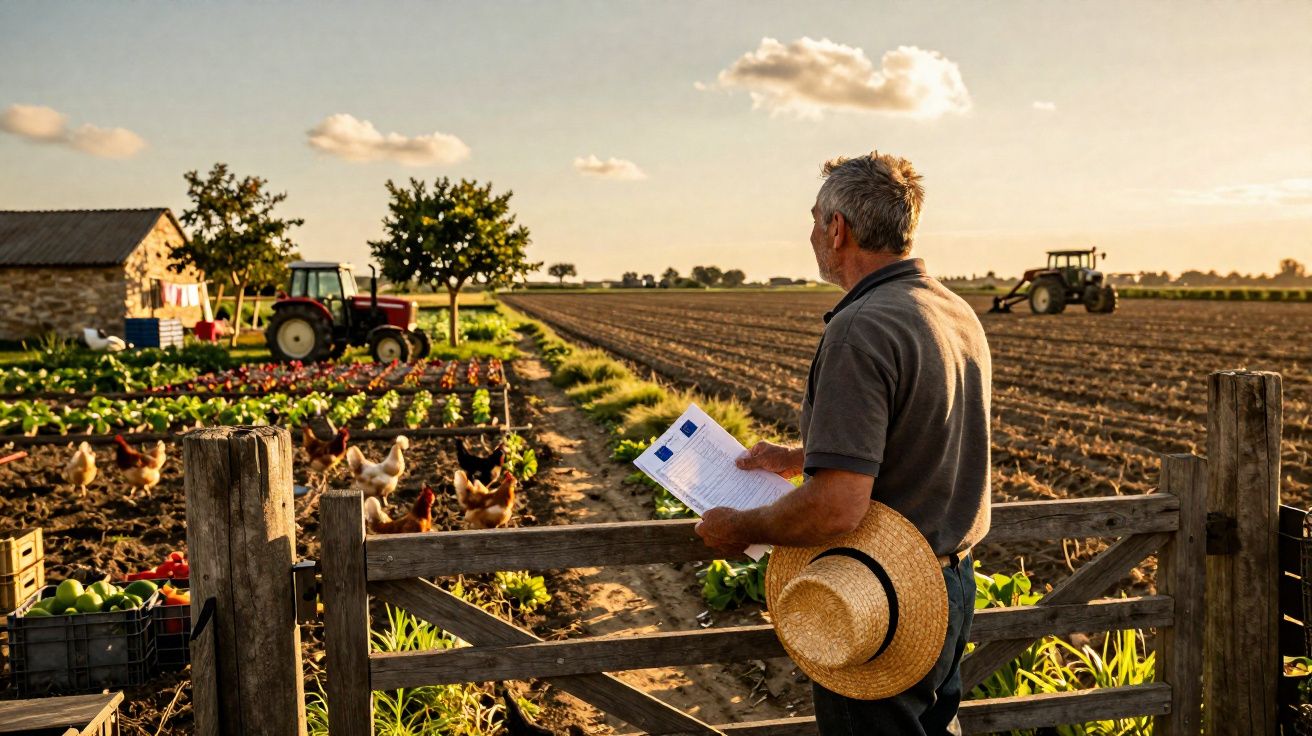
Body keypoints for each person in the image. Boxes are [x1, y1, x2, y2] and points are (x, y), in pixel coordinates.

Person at [694, 151, 992, 735]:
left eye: (813, 220)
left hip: (882, 596)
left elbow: (836, 509)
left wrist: (741, 527)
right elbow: (921, 430)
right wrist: (805, 456)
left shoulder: (861, 328)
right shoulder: (950, 310)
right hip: (951, 582)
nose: (810, 235)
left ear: (838, 228)